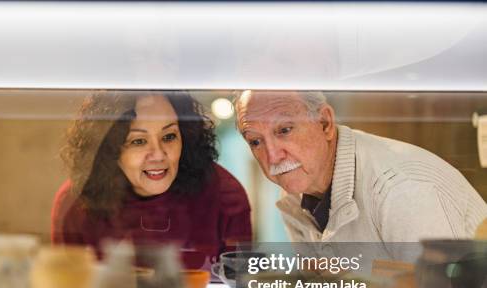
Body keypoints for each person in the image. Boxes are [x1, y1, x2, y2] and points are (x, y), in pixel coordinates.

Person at [235, 90, 487, 261]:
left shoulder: (401, 190)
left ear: (325, 123)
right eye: (256, 141)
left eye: (285, 130)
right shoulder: (297, 191)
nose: (273, 156)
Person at [52, 91, 252, 268]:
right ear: (110, 148)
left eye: (169, 137)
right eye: (138, 141)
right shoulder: (75, 202)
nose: (158, 155)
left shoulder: (225, 194)